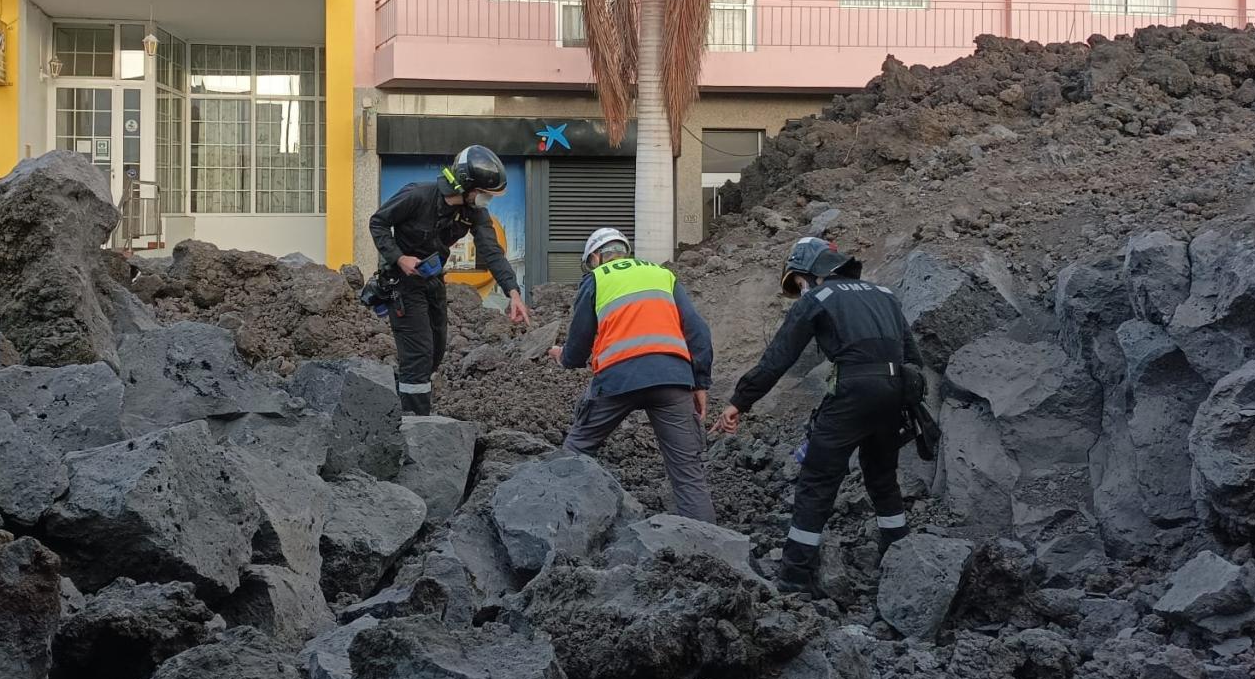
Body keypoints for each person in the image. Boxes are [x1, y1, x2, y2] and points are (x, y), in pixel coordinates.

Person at [709, 237, 924, 596]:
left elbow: (778, 358)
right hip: (896, 391)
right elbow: (912, 356)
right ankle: (898, 555)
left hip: (852, 391)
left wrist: (739, 402)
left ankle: (794, 580)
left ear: (809, 272)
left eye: (796, 282)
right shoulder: (884, 294)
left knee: (817, 482)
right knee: (883, 478)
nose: (799, 290)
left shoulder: (818, 298)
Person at [549, 226, 718, 524]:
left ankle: (556, 522)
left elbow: (577, 348)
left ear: (597, 257)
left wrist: (562, 356)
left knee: (576, 450)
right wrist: (700, 382)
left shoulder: (597, 279)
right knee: (688, 473)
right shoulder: (661, 274)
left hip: (618, 380)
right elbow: (698, 330)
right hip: (672, 379)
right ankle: (708, 550)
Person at [369, 145, 530, 413]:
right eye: (485, 194)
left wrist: (513, 292)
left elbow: (491, 251)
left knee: (435, 351)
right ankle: (415, 425)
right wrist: (399, 257)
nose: (487, 201)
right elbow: (378, 223)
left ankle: (399, 403)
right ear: (467, 186)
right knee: (418, 354)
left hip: (433, 283)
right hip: (403, 285)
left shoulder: (473, 213)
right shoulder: (417, 195)